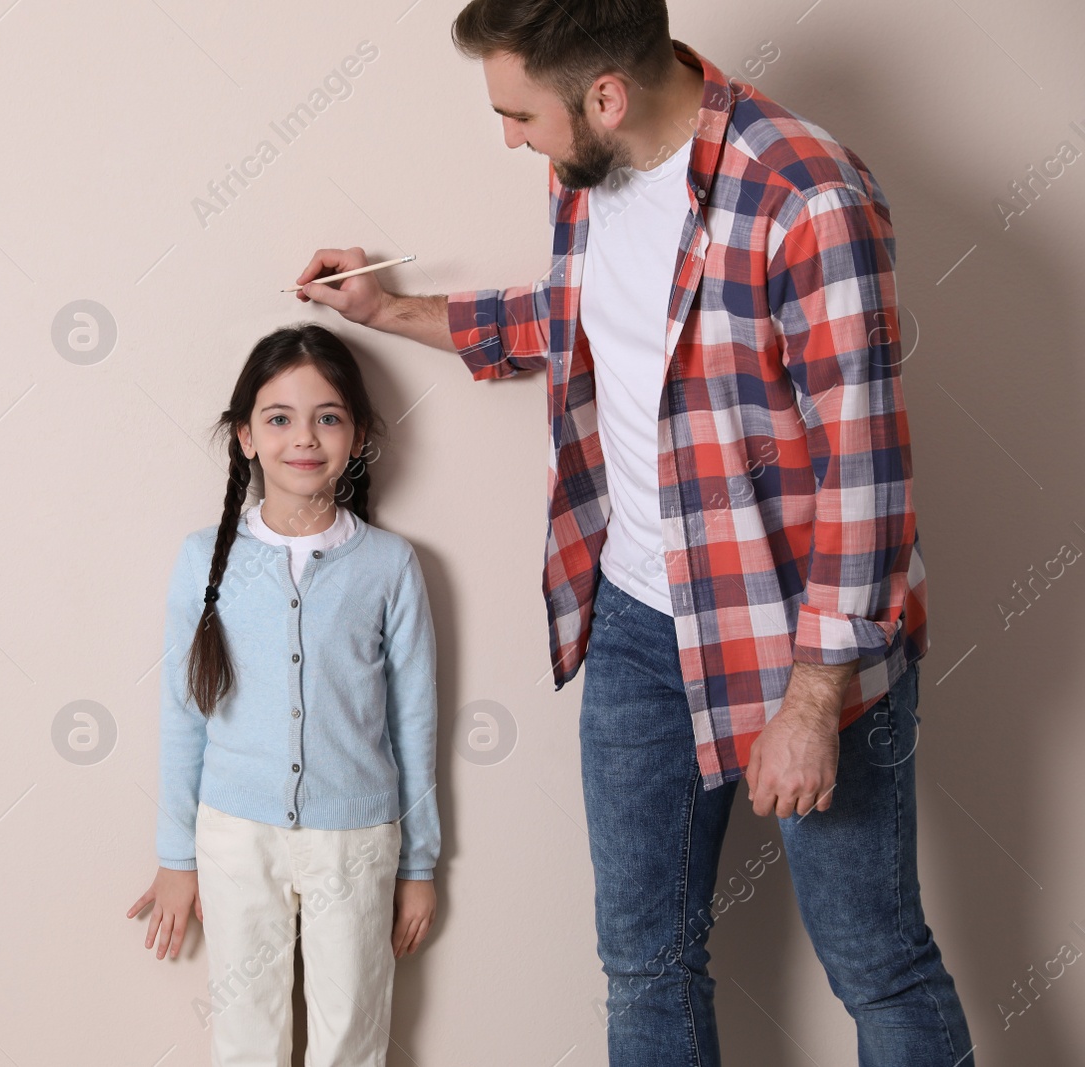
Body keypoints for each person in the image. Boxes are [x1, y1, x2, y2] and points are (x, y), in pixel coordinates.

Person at [291, 1, 974, 1064]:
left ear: (604, 95)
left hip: (795, 645)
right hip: (635, 623)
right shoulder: (592, 172)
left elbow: (866, 467)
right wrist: (390, 311)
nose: (510, 137)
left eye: (520, 113)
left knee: (876, 961)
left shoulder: (805, 196)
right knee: (644, 960)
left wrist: (812, 698)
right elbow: (572, 316)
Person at [126, 323, 441, 1066]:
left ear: (358, 435)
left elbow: (415, 721)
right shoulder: (204, 557)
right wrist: (177, 855)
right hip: (235, 837)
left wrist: (419, 865)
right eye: (279, 418)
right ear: (245, 436)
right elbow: (183, 714)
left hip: (356, 843)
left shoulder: (391, 566)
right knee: (245, 1038)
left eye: (328, 416)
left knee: (352, 1034)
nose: (304, 437)